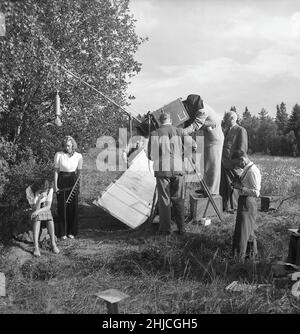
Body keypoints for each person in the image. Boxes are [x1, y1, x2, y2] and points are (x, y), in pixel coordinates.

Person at [147, 112, 197, 235]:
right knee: (178, 199)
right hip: (178, 169)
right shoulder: (180, 131)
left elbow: (151, 156)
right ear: (171, 120)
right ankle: (181, 229)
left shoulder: (154, 133)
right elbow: (194, 146)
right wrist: (183, 155)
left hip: (162, 170)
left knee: (164, 200)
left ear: (159, 121)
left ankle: (165, 230)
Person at [181, 94, 224, 195]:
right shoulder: (199, 107)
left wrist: (182, 132)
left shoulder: (202, 111)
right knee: (207, 166)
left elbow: (195, 126)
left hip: (215, 140)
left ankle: (212, 191)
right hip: (208, 138)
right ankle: (206, 189)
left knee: (213, 165)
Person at [231, 150, 261, 262]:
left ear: (242, 159)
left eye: (238, 163)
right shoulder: (247, 169)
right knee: (249, 232)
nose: (237, 165)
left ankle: (239, 259)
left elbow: (256, 192)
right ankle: (252, 257)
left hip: (248, 204)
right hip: (244, 202)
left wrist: (240, 188)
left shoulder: (253, 171)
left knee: (242, 233)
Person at [54, 135, 83, 239]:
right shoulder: (59, 155)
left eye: (69, 146)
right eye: (65, 146)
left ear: (72, 145)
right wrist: (55, 185)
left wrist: (79, 186)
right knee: (62, 207)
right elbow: (56, 171)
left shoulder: (78, 156)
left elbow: (79, 172)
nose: (67, 148)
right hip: (62, 180)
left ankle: (72, 231)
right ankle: (62, 232)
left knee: (73, 207)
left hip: (73, 180)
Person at [220, 110, 248, 212]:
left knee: (234, 186)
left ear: (232, 118)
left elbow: (242, 148)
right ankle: (225, 206)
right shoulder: (226, 130)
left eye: (226, 118)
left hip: (233, 164)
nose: (224, 120)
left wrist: (238, 162)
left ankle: (234, 207)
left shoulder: (240, 130)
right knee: (225, 186)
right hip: (224, 163)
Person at [26, 179, 60, 257]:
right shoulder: (29, 190)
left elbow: (48, 206)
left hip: (43, 208)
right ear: (37, 189)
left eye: (46, 189)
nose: (45, 191)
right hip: (32, 209)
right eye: (42, 190)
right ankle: (36, 247)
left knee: (49, 217)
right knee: (37, 218)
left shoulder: (50, 189)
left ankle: (53, 244)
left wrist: (38, 211)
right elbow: (34, 208)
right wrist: (39, 198)